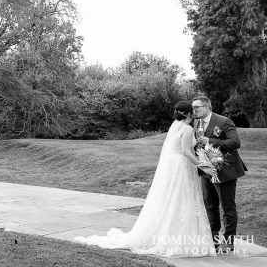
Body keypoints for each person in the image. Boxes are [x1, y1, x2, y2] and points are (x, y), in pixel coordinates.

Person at [74, 101, 215, 257]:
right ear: (188, 113)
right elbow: (185, 152)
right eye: (193, 110)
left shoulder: (176, 125)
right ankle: (180, 237)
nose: (195, 112)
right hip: (182, 167)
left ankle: (170, 233)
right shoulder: (187, 128)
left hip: (175, 167)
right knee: (183, 198)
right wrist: (204, 165)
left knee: (175, 199)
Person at [192, 95, 247, 253]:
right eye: (193, 107)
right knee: (210, 206)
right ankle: (213, 240)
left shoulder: (223, 121)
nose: (194, 110)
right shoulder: (196, 123)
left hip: (224, 171)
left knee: (227, 208)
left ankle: (228, 242)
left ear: (207, 106)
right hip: (205, 172)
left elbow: (235, 143)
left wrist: (210, 141)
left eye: (197, 107)